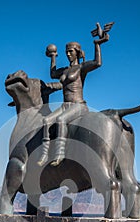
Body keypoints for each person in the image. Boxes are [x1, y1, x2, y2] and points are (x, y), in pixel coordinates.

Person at [37, 32, 109, 167]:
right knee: (46, 121)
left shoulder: (81, 68)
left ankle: (60, 154)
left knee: (60, 120)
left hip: (78, 105)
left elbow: (97, 63)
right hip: (65, 105)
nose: (68, 54)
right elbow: (53, 74)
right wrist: (53, 57)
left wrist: (97, 44)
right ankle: (44, 154)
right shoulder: (64, 70)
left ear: (77, 52)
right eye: (66, 52)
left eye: (70, 52)